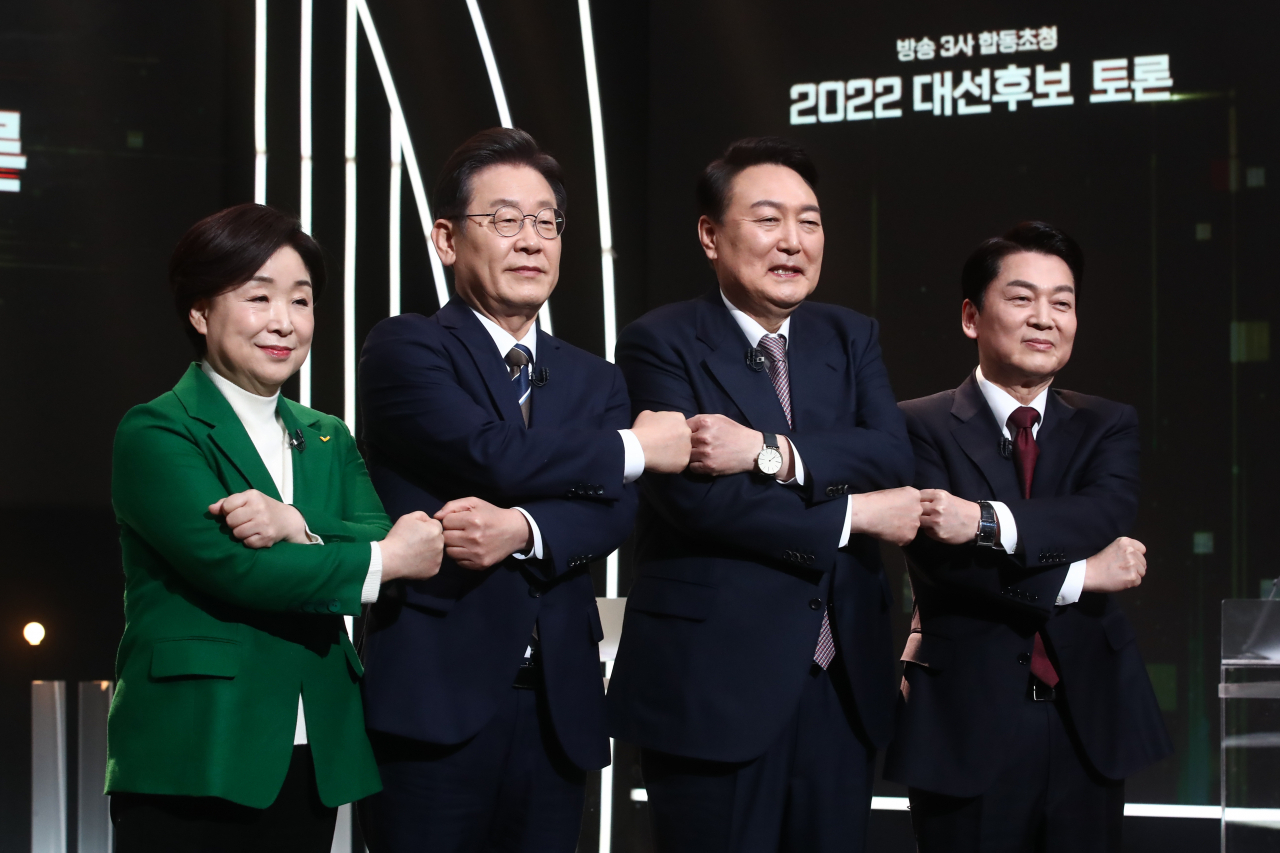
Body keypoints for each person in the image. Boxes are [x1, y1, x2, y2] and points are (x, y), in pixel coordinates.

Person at [356, 127, 691, 852]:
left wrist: (525, 533)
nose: (532, 240)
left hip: (556, 710)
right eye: (505, 219)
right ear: (447, 238)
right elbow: (494, 455)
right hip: (434, 703)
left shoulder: (595, 377)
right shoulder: (406, 347)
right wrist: (637, 446)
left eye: (547, 222)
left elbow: (614, 510)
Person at [605, 137, 920, 853]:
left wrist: (769, 454)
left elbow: (891, 453)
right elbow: (695, 501)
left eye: (809, 222)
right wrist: (854, 512)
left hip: (842, 683)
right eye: (769, 219)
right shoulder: (660, 342)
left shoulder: (849, 336)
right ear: (711, 236)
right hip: (714, 683)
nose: (793, 241)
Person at [105, 203, 443, 853]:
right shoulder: (156, 431)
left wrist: (296, 522)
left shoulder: (328, 434)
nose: (284, 322)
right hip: (195, 744)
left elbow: (374, 531)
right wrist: (382, 559)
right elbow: (238, 569)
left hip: (314, 742)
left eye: (301, 300)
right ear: (200, 313)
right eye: (259, 298)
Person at [884, 222, 1174, 851]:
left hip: (1087, 718)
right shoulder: (916, 425)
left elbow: (1101, 515)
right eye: (1021, 299)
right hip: (965, 718)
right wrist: (1082, 576)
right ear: (972, 316)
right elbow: (945, 563)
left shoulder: (1106, 423)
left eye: (1062, 303)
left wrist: (986, 523)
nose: (1045, 318)